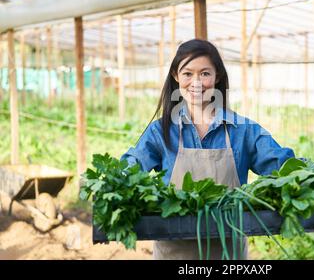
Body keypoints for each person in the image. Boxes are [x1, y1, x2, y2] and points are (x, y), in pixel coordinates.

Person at [121, 39, 297, 260]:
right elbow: (131, 167)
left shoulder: (242, 131)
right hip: (174, 253)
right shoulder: (161, 132)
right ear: (176, 76)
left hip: (228, 254)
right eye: (187, 74)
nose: (196, 82)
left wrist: (306, 175)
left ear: (217, 77)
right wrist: (115, 179)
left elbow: (281, 165)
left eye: (205, 74)